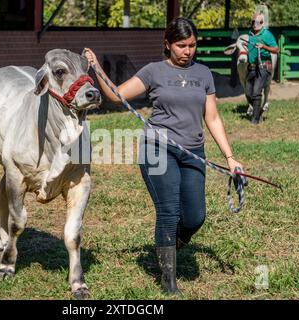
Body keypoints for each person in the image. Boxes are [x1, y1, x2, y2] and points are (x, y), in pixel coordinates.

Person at [84, 17, 244, 295]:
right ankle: (168, 280)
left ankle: (165, 246)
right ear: (167, 45)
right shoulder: (153, 71)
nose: (187, 51)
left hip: (193, 151)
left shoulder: (204, 74)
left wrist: (230, 158)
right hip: (158, 150)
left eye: (192, 45)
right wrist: (97, 67)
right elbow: (115, 95)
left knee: (195, 217)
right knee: (169, 211)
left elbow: (213, 118)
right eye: (181, 45)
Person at [246, 11, 279, 124]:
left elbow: (276, 49)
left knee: (256, 92)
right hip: (251, 67)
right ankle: (258, 111)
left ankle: (255, 119)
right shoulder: (250, 33)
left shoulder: (267, 35)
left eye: (257, 22)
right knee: (248, 92)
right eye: (253, 22)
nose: (254, 24)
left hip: (263, 66)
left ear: (262, 22)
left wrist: (264, 46)